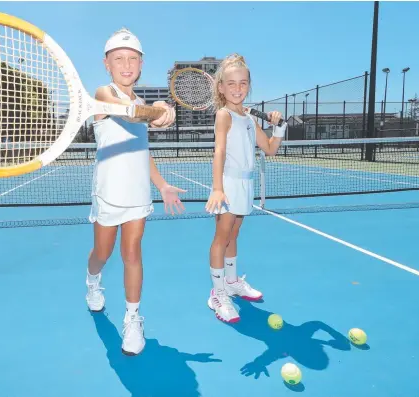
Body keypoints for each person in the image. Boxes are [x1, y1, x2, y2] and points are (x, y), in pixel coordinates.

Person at [85, 28, 185, 356]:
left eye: (132, 59)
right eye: (119, 59)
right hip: (108, 195)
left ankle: (132, 319)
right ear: (107, 64)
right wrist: (158, 111)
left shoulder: (139, 102)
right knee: (102, 253)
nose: (126, 65)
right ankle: (93, 281)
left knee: (132, 254)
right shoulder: (104, 93)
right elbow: (127, 111)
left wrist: (163, 185)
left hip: (138, 195)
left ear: (141, 65)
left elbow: (143, 151)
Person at [205, 54, 286, 323]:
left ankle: (231, 282)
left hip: (246, 183)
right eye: (231, 83)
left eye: (243, 83)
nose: (237, 88)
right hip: (228, 183)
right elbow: (219, 151)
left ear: (249, 85)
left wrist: (279, 127)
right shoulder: (224, 114)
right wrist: (217, 188)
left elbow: (271, 149)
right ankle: (218, 295)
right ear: (221, 87)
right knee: (221, 236)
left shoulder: (250, 119)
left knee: (234, 234)